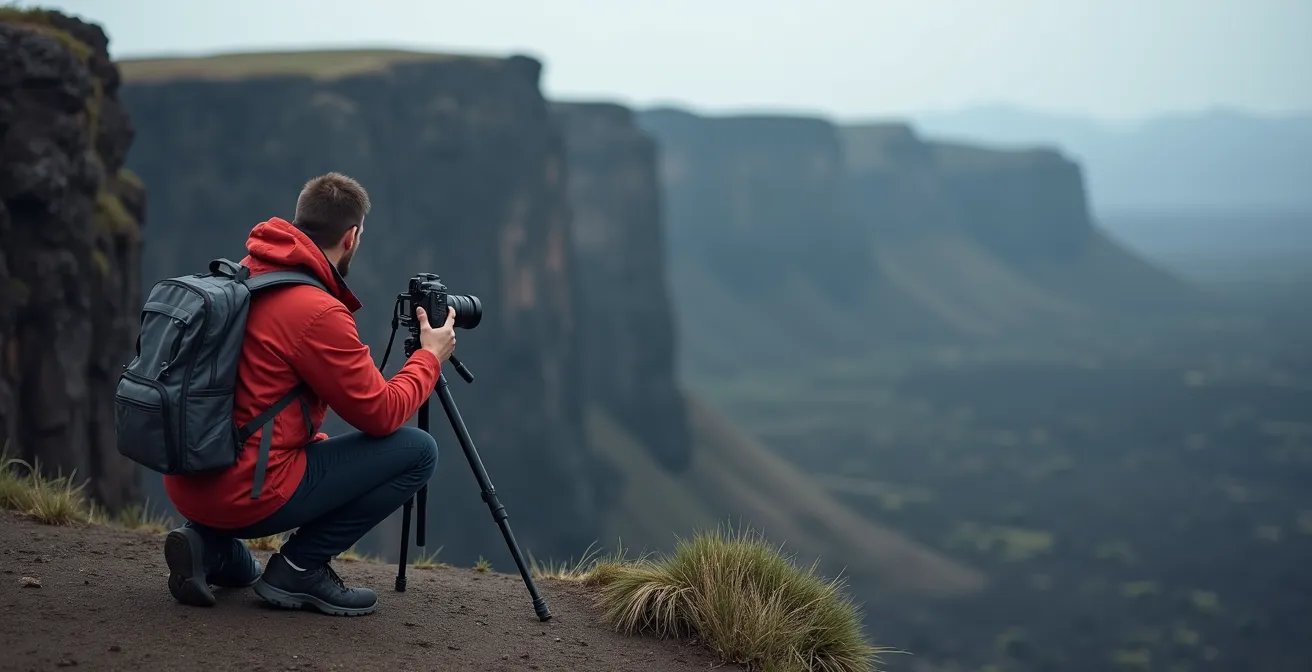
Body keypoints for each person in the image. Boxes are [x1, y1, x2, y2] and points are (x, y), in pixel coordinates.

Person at [160, 172, 456, 617]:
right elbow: (381, 413)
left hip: (188, 478)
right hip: (246, 493)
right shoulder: (316, 311)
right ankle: (299, 568)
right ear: (352, 237)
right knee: (418, 450)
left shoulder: (243, 277)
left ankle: (207, 546)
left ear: (299, 223)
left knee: (242, 570)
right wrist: (429, 358)